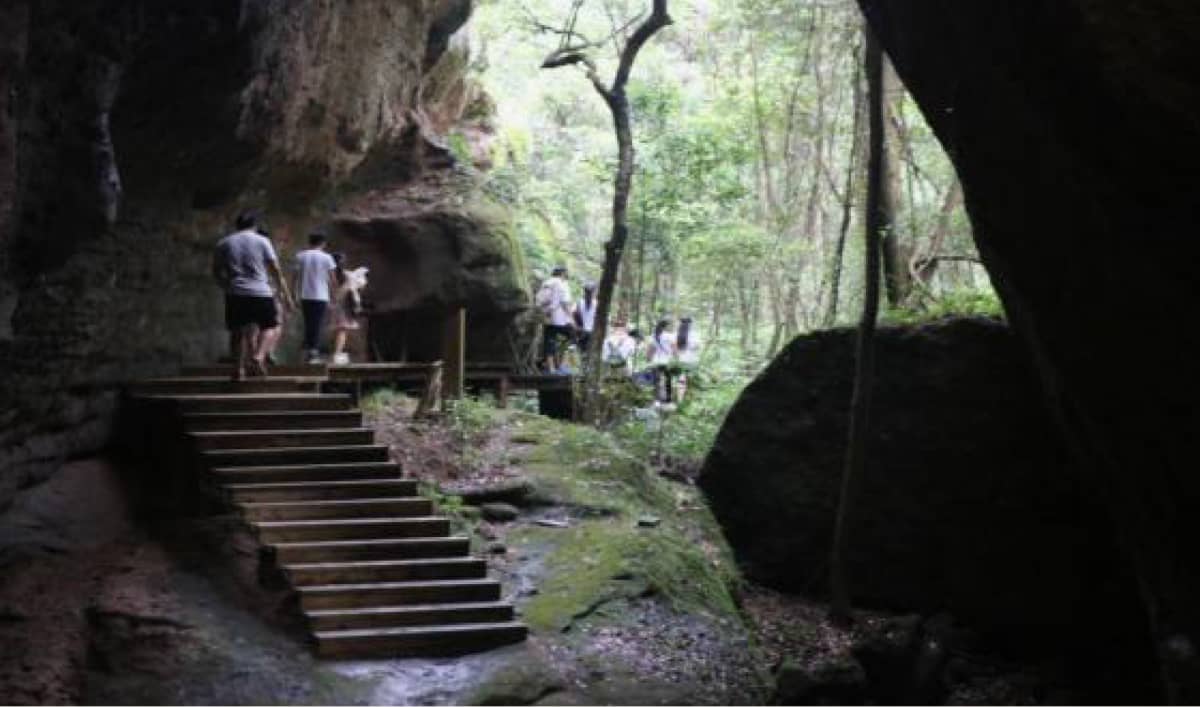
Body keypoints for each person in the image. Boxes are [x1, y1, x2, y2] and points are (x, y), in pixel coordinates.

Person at [212, 209, 293, 380]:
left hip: (236, 292)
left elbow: (217, 271)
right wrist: (286, 295)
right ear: (254, 225)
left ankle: (238, 369)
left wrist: (227, 286)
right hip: (261, 292)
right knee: (270, 326)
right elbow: (275, 269)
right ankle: (258, 355)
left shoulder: (224, 243)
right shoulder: (262, 241)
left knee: (237, 332)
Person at [292, 232, 338, 364]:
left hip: (305, 295)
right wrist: (334, 296)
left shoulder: (300, 256)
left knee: (309, 322)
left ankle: (308, 350)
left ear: (309, 242)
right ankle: (312, 351)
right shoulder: (327, 258)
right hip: (321, 296)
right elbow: (332, 279)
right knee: (317, 324)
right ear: (323, 243)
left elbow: (295, 278)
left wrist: (293, 294)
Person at [328, 252, 368, 365]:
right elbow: (360, 285)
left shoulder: (329, 274)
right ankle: (337, 353)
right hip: (343, 305)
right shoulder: (348, 275)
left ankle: (336, 352)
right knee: (342, 330)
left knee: (337, 330)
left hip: (333, 305)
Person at [535, 266, 574, 373]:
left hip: (547, 318)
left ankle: (551, 368)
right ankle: (564, 365)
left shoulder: (546, 283)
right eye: (566, 274)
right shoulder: (561, 284)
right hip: (559, 319)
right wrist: (571, 318)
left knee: (549, 341)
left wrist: (545, 312)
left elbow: (539, 300)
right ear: (562, 274)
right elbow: (564, 302)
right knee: (573, 337)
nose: (566, 276)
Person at [674, 316, 702, 402]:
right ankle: (689, 398)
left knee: (681, 380)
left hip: (681, 361)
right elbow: (698, 347)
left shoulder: (676, 334)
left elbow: (674, 350)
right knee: (690, 380)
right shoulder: (695, 334)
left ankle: (680, 399)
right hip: (692, 361)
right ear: (691, 324)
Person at [649, 318, 677, 402]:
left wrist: (649, 359)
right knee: (668, 380)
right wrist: (676, 358)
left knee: (656, 381)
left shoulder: (653, 335)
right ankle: (668, 399)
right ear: (666, 326)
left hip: (656, 361)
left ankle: (657, 399)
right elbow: (674, 349)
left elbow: (651, 349)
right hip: (667, 361)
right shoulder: (669, 336)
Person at [574, 282, 598, 353]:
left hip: (592, 335)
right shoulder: (579, 303)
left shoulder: (597, 305)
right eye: (587, 292)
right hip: (581, 333)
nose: (589, 294)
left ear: (594, 292)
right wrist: (577, 327)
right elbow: (573, 316)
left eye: (590, 292)